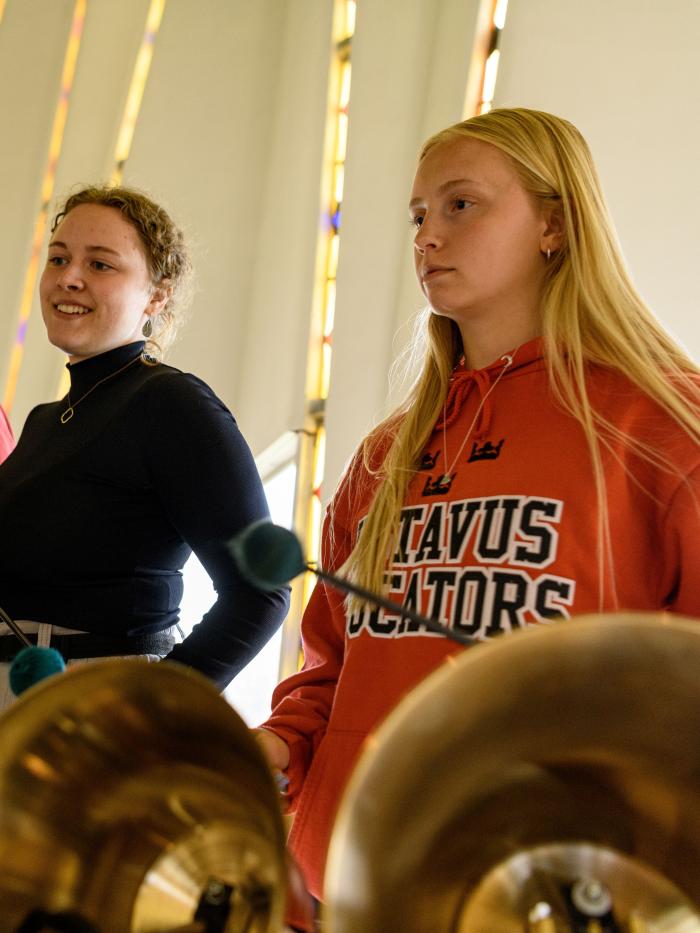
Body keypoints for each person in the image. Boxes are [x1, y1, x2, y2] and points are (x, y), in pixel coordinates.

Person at [255, 108, 700, 904]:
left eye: (461, 205)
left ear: (554, 225)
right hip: (352, 881)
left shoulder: (664, 425)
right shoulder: (386, 453)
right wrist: (283, 744)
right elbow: (331, 663)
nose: (426, 236)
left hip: (550, 893)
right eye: (419, 215)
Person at [0, 186, 288, 705]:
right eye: (59, 258)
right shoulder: (45, 422)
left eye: (101, 265)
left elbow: (261, 591)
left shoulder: (172, 403)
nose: (69, 277)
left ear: (156, 296)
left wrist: (150, 705)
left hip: (99, 698)